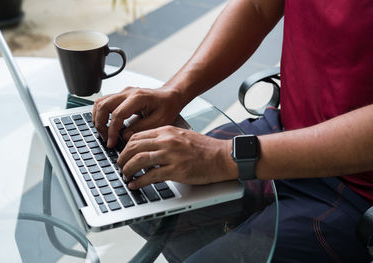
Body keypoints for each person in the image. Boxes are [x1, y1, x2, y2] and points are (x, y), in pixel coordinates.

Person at [93, 0, 373, 261]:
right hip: (281, 131)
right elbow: (257, 7)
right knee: (141, 200)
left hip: (359, 191)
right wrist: (174, 91)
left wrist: (221, 157)